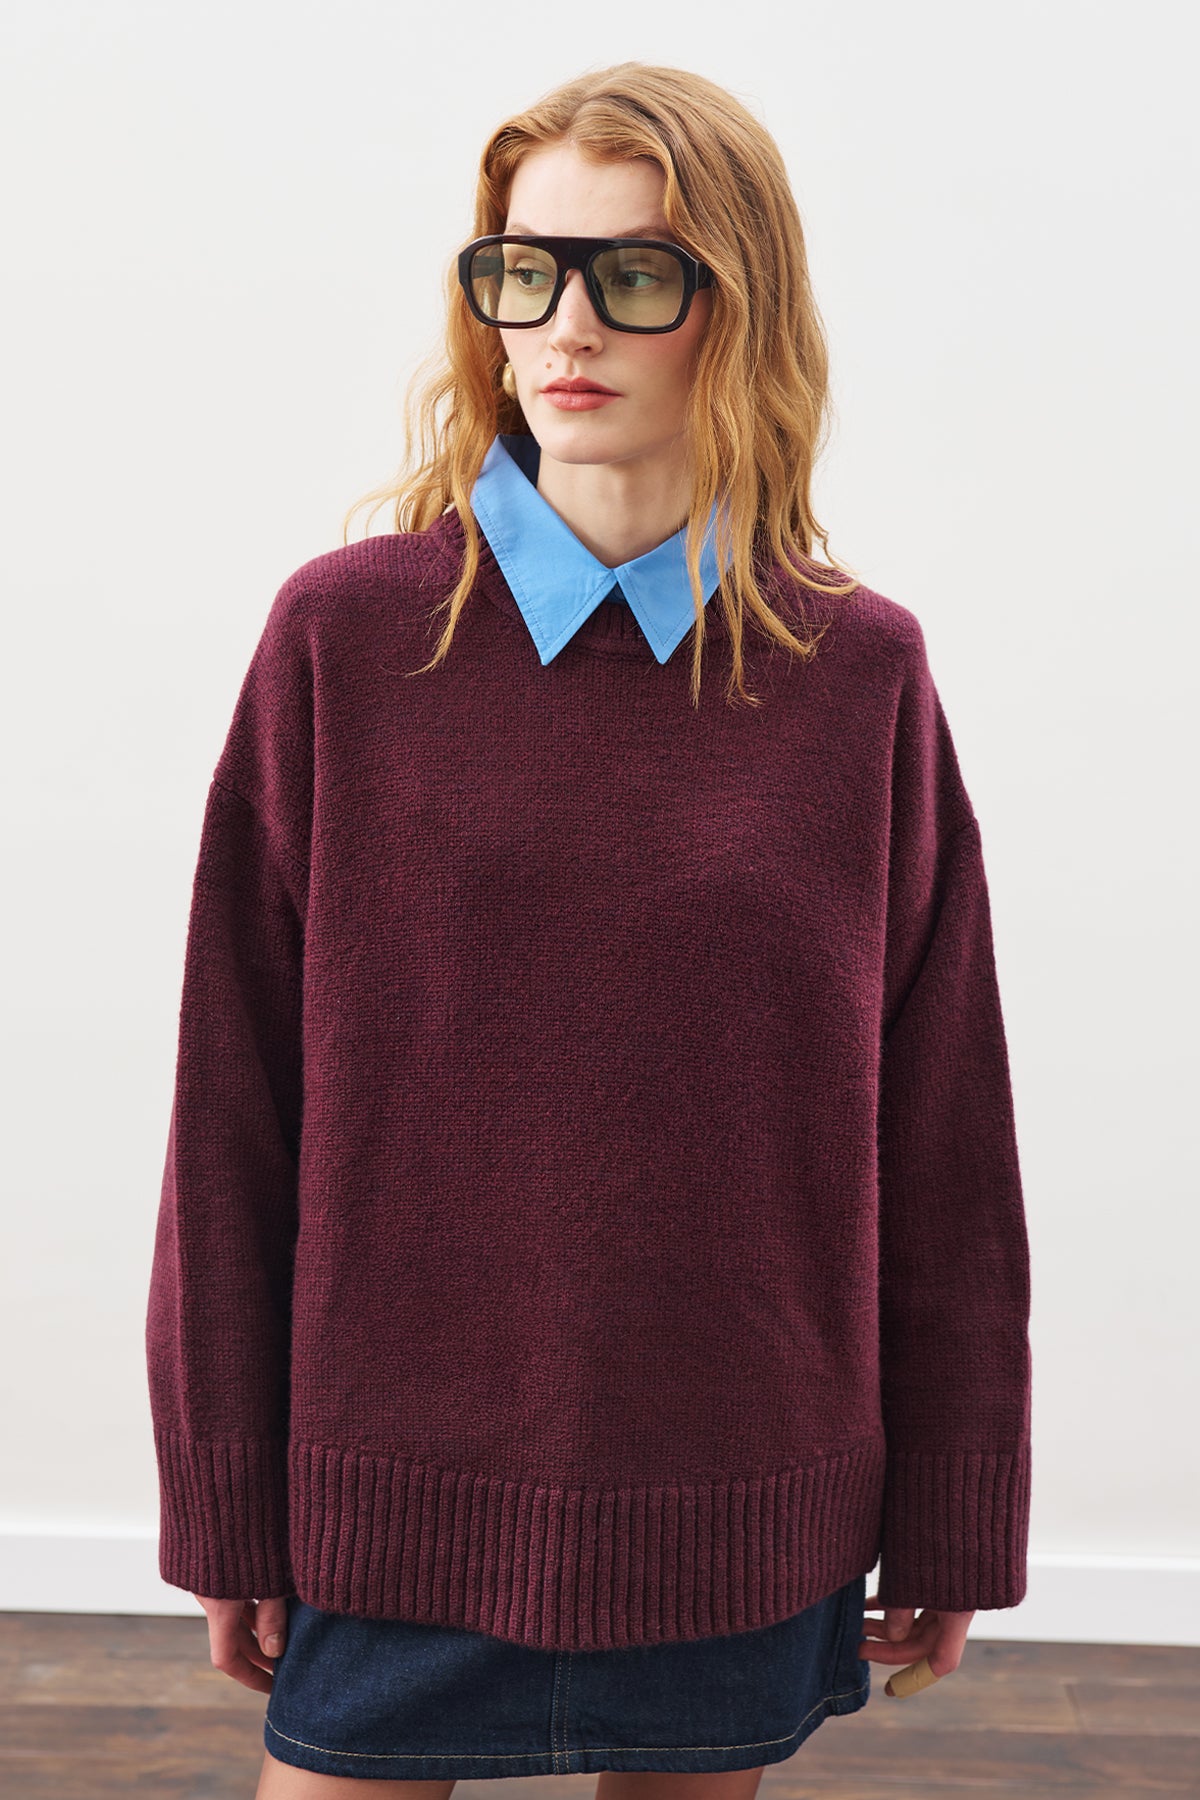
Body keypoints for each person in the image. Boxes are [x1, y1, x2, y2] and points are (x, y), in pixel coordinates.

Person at [145, 61, 1033, 1797]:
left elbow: (940, 1133)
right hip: (392, 1501)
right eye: (522, 270)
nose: (565, 324)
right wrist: (221, 1491)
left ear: (738, 308)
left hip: (735, 1501)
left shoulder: (856, 672)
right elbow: (230, 1106)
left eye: (632, 275)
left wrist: (955, 1505)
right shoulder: (343, 643)